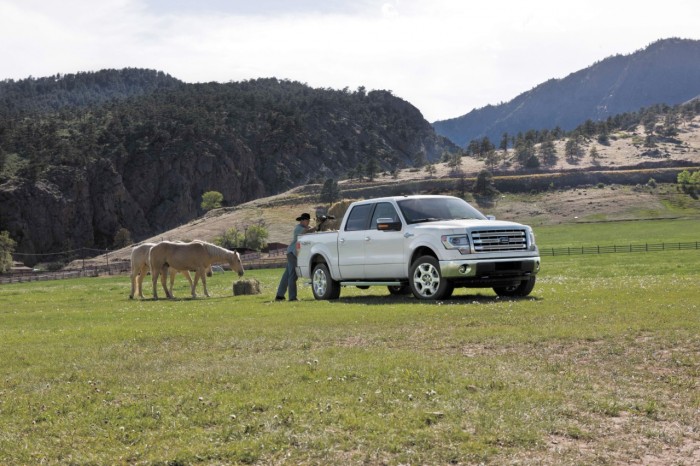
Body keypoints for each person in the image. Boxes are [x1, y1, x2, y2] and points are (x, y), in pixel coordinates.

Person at [275, 212, 314, 301]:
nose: (308, 222)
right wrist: (316, 227)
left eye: (309, 221)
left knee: (287, 275)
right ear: (303, 221)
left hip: (292, 253)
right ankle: (292, 297)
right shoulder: (299, 228)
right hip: (293, 254)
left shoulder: (304, 227)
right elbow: (306, 232)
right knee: (293, 275)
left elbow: (310, 230)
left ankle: (279, 295)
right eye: (307, 221)